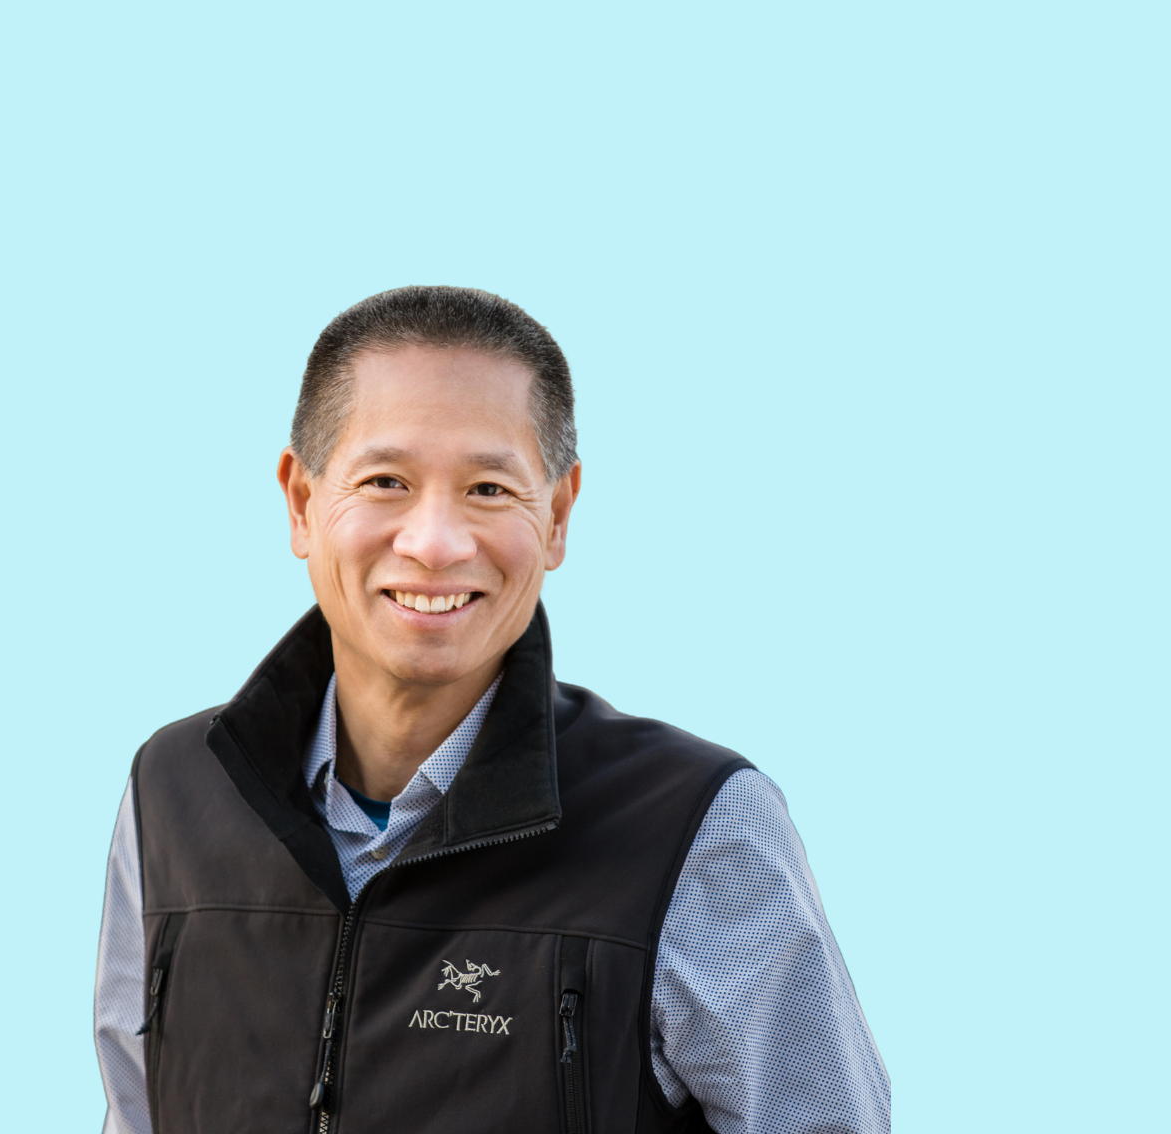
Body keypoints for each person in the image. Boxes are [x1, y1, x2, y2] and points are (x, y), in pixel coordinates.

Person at [93, 286, 889, 1134]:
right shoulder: (174, 793)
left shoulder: (696, 827)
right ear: (301, 502)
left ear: (557, 516)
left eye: (488, 488)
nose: (435, 543)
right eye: (386, 481)